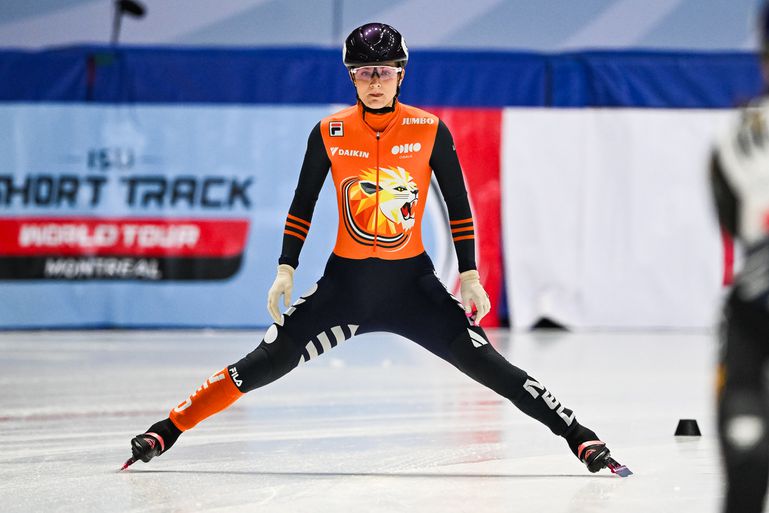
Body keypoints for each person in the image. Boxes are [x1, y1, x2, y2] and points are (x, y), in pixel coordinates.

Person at [123, 22, 624, 476]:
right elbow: (303, 204)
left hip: (415, 291)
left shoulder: (429, 129)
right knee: (258, 365)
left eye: (384, 72)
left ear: (401, 74)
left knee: (498, 372)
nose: (375, 82)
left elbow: (459, 206)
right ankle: (165, 430)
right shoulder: (329, 131)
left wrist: (469, 274)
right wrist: (285, 267)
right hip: (345, 289)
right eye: (363, 73)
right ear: (352, 78)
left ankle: (581, 438)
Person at [713, 5, 769, 510]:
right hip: (754, 315)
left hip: (754, 309)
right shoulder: (743, 132)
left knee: (746, 472)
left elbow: (729, 219)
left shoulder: (742, 131)